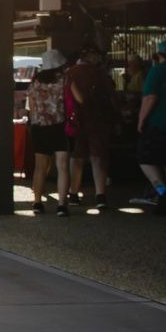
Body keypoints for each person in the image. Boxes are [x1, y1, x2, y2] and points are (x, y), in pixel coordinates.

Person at [66, 42, 114, 208]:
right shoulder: (101, 73)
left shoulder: (70, 73)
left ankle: (73, 193)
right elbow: (111, 96)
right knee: (98, 157)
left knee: (76, 157)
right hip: (99, 120)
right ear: (89, 55)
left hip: (76, 121)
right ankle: (100, 195)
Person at [26, 48, 72, 216]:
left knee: (40, 167)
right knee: (63, 167)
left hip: (39, 127)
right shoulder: (65, 80)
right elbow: (72, 100)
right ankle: (61, 205)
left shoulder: (36, 81)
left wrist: (35, 120)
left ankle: (37, 202)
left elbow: (31, 105)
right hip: (60, 126)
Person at [132, 38, 166, 211]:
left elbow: (150, 97)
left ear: (160, 55)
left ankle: (162, 191)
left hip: (158, 123)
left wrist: (141, 120)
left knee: (145, 157)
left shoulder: (158, 71)